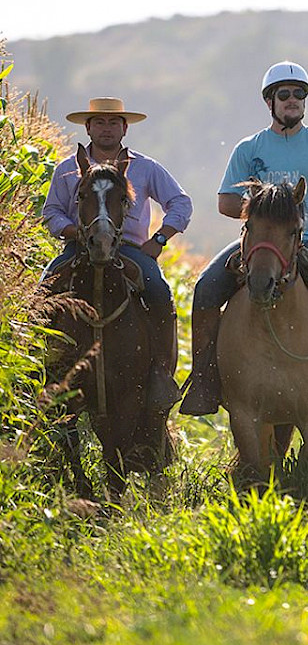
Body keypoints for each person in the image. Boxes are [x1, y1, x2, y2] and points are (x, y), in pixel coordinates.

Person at [180, 61, 308, 419]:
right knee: (206, 287)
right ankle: (204, 380)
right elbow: (225, 202)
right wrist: (262, 213)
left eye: (299, 94)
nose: (292, 100)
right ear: (270, 101)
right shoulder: (248, 147)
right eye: (283, 94)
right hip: (258, 245)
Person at [41, 97, 193, 410]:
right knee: (42, 290)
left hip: (129, 248)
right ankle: (38, 369)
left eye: (113, 122)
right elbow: (52, 211)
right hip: (79, 245)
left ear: (124, 128)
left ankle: (160, 373)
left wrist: (160, 238)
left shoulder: (146, 167)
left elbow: (180, 203)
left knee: (159, 291)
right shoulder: (68, 169)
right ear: (88, 127)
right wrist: (74, 232)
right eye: (100, 122)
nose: (106, 128)